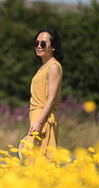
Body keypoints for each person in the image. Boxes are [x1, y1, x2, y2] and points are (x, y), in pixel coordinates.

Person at [27, 28, 63, 158]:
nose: (38, 47)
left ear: (53, 47)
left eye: (43, 44)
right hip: (37, 117)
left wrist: (39, 122)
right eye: (36, 43)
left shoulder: (53, 67)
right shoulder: (44, 66)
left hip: (43, 119)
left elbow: (51, 99)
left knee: (42, 160)